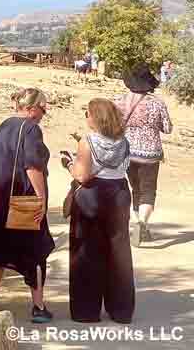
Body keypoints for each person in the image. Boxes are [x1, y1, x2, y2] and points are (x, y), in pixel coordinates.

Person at [0, 88, 55, 324]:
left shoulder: (4, 125)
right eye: (42, 108)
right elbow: (32, 167)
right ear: (31, 108)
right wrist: (42, 199)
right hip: (23, 199)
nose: (43, 113)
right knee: (36, 251)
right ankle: (38, 306)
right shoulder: (31, 128)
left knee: (0, 247)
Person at [62, 98, 135, 324]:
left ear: (96, 117)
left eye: (88, 113)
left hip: (92, 195)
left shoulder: (88, 141)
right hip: (119, 194)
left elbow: (82, 175)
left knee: (87, 251)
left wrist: (68, 164)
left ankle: (87, 310)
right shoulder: (123, 141)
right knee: (118, 251)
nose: (86, 117)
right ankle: (121, 309)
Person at [114, 64, 173, 245]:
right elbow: (167, 128)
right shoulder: (157, 103)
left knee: (136, 189)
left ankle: (141, 225)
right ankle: (142, 223)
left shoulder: (119, 101)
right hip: (151, 154)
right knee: (148, 191)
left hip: (128, 153)